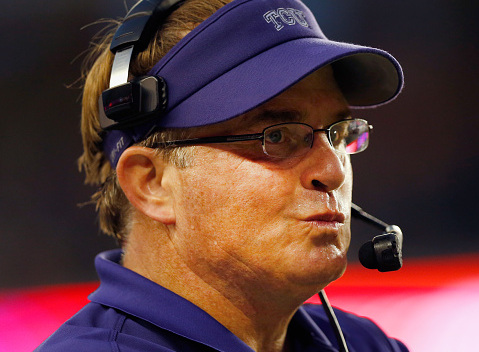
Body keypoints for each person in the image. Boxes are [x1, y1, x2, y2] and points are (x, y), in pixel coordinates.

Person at [36, 0, 407, 351]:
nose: (333, 171)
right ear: (151, 183)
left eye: (339, 133)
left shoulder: (364, 343)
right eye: (276, 135)